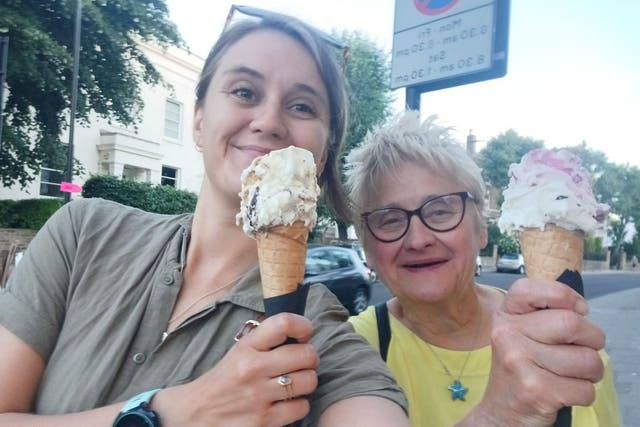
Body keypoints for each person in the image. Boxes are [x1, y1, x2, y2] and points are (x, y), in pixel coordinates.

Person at [0, 11, 410, 427]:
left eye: (302, 106)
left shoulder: (315, 333)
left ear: (321, 156)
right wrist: (175, 411)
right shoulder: (84, 232)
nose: (268, 121)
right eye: (244, 91)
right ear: (199, 120)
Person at [347, 112, 622, 427]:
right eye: (390, 219)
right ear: (367, 249)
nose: (418, 239)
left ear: (481, 229)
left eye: (440, 210)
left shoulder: (563, 338)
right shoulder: (350, 351)